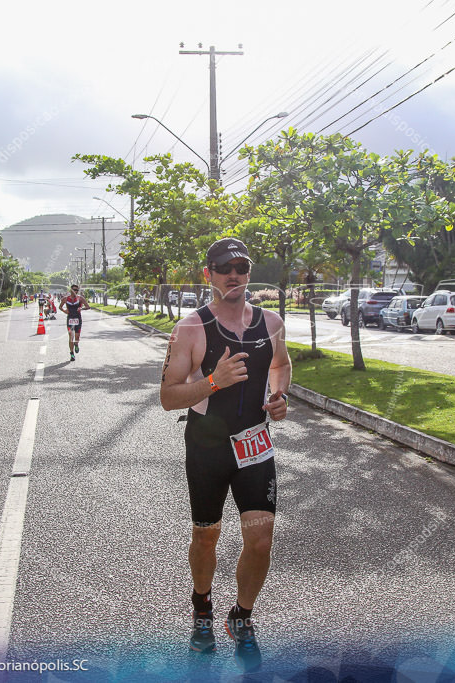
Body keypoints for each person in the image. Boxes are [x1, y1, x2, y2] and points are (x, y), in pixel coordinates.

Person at [159, 237, 291, 671]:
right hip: (207, 447)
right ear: (209, 275)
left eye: (242, 267)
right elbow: (168, 397)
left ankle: (243, 617)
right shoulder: (191, 329)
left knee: (260, 540)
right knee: (206, 536)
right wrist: (214, 382)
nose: (234, 274)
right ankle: (202, 610)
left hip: (255, 444)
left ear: (249, 273)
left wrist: (279, 395)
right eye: (223, 268)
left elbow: (281, 364)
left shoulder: (271, 323)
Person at [61, 284, 90, 361]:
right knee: (71, 337)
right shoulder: (66, 299)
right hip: (70, 319)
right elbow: (60, 307)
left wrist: (81, 308)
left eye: (77, 290)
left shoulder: (80, 298)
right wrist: (65, 311)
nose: (75, 291)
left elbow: (88, 307)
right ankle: (72, 354)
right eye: (74, 289)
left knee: (77, 337)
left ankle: (76, 344)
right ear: (71, 290)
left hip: (78, 319)